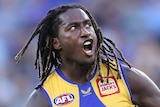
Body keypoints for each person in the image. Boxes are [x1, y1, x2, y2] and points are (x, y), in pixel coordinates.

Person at [15, 3, 160, 107]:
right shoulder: (44, 98)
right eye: (73, 27)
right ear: (56, 43)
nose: (85, 32)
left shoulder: (126, 78)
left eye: (88, 25)